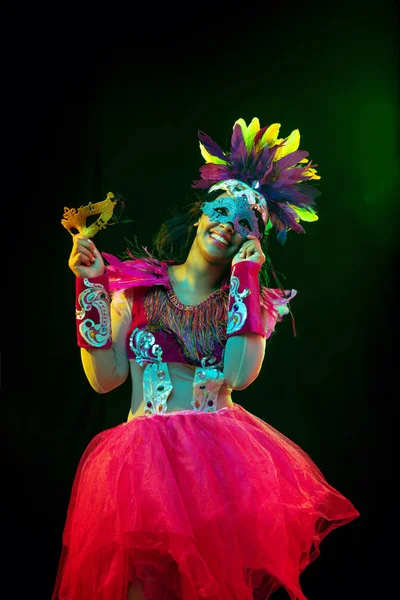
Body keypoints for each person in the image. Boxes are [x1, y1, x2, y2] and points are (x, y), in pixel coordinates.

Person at [53, 117, 360, 600]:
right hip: (142, 472)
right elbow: (105, 379)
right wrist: (89, 284)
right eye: (221, 210)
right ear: (200, 213)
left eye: (245, 223)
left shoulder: (254, 304)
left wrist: (247, 279)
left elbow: (239, 374)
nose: (228, 226)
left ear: (252, 239)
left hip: (218, 475)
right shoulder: (135, 290)